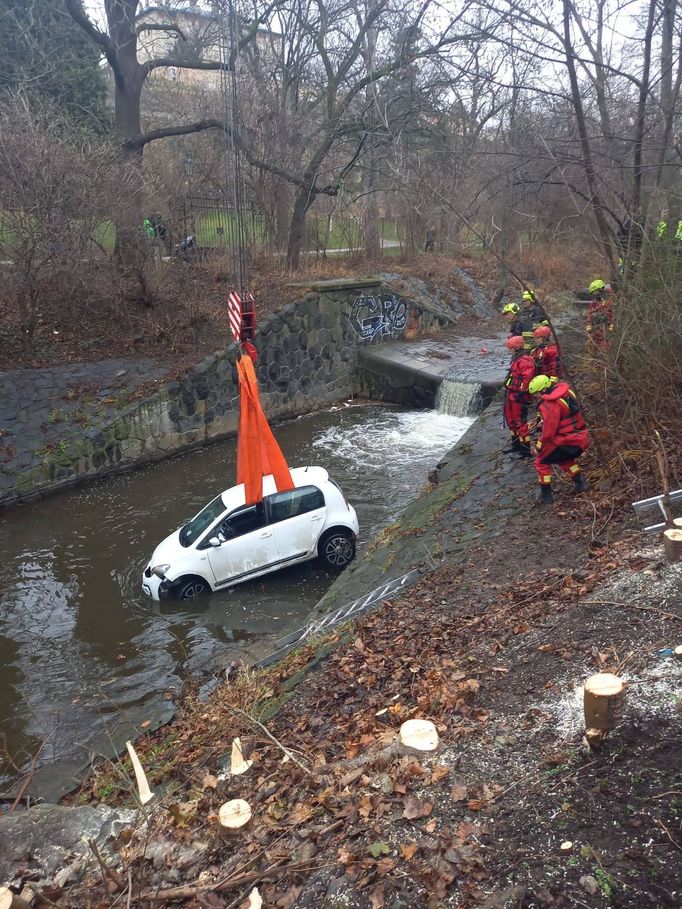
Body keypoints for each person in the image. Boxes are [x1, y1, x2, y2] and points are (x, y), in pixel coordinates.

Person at [528, 374, 590, 504]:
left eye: (536, 394)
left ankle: (546, 495)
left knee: (541, 461)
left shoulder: (549, 404)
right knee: (563, 459)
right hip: (580, 437)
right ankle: (580, 483)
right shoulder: (565, 392)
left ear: (543, 390)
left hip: (567, 441)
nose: (536, 398)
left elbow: (548, 433)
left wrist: (539, 447)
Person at [503, 335, 536, 458]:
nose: (509, 350)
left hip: (520, 396)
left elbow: (527, 379)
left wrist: (521, 393)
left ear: (517, 348)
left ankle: (525, 450)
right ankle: (515, 446)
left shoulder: (525, 361)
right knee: (510, 420)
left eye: (510, 348)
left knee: (520, 422)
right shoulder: (516, 359)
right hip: (512, 393)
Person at [586, 279, 613, 347]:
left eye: (595, 293)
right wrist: (589, 326)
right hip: (598, 331)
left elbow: (612, 316)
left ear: (601, 290)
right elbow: (590, 315)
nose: (594, 296)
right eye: (593, 294)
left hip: (608, 331)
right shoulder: (594, 304)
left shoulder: (610, 300)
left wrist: (611, 326)